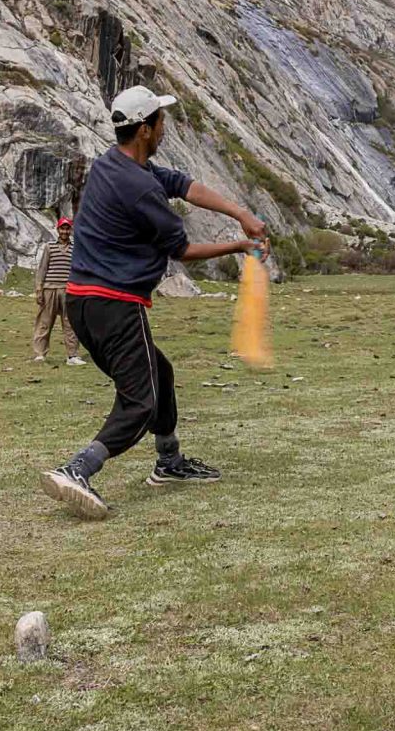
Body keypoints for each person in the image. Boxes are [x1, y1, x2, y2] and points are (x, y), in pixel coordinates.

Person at [39, 85, 268, 521]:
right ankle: (78, 468)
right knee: (140, 400)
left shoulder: (114, 165)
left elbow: (183, 185)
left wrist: (240, 212)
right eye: (161, 121)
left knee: (159, 372)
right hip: (114, 304)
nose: (165, 126)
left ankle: (169, 461)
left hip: (82, 303)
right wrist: (241, 246)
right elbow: (180, 250)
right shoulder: (139, 189)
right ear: (145, 129)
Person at [30, 218, 85, 365]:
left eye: (67, 229)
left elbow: (79, 269)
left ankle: (72, 356)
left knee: (70, 323)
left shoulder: (75, 248)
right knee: (44, 322)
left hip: (69, 290)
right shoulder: (49, 247)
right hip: (50, 289)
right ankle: (40, 354)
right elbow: (42, 269)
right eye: (62, 228)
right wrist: (39, 289)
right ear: (58, 230)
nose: (65, 231)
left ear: (70, 230)